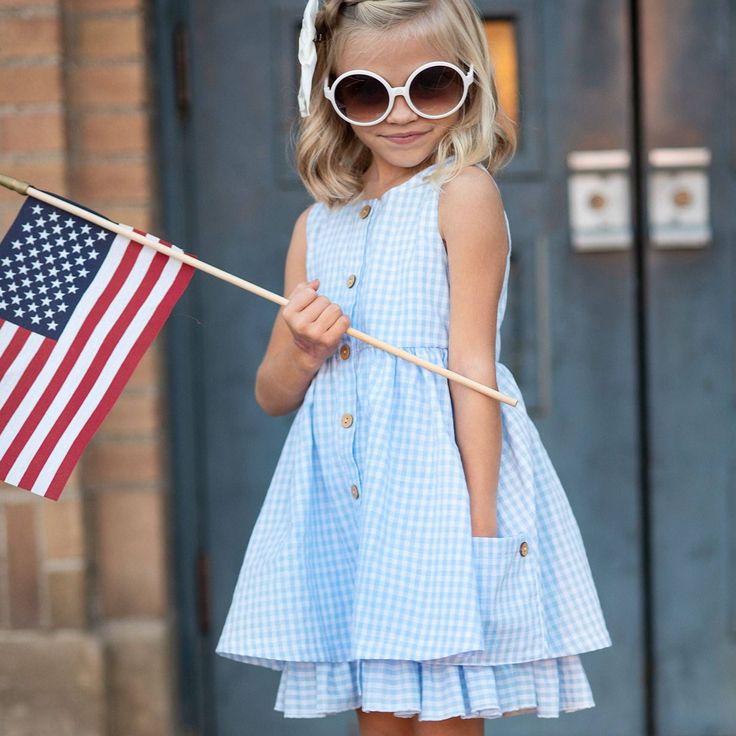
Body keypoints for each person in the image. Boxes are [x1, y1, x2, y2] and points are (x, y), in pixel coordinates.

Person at [216, 0, 613, 732]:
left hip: (438, 498)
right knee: (383, 720)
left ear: (468, 82)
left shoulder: (462, 195)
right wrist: (303, 351)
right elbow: (273, 395)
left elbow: (472, 368)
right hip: (348, 507)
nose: (400, 114)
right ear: (331, 100)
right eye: (367, 92)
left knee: (446, 716)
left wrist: (482, 530)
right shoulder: (316, 226)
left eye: (429, 86)